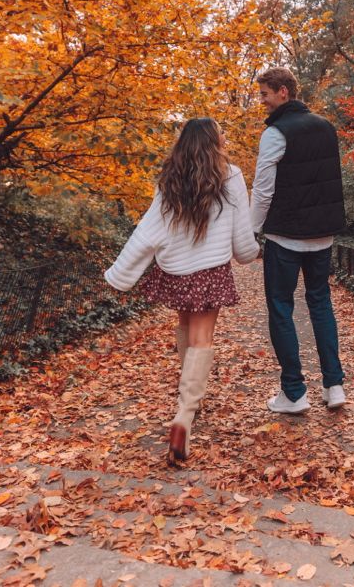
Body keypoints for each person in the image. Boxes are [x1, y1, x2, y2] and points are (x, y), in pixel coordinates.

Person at [104, 118, 259, 463]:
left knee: (186, 329)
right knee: (203, 338)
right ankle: (184, 415)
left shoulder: (170, 177)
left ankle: (190, 400)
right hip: (210, 267)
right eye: (221, 131)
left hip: (176, 268)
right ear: (213, 140)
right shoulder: (230, 175)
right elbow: (241, 232)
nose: (224, 135)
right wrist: (250, 253)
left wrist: (120, 272)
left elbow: (148, 227)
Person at [251, 66, 346, 414]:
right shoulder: (326, 128)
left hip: (286, 236)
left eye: (264, 94)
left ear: (282, 93)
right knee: (321, 304)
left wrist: (252, 230)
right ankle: (334, 386)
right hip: (322, 236)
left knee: (281, 308)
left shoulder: (276, 133)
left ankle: (294, 392)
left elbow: (263, 190)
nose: (261, 101)